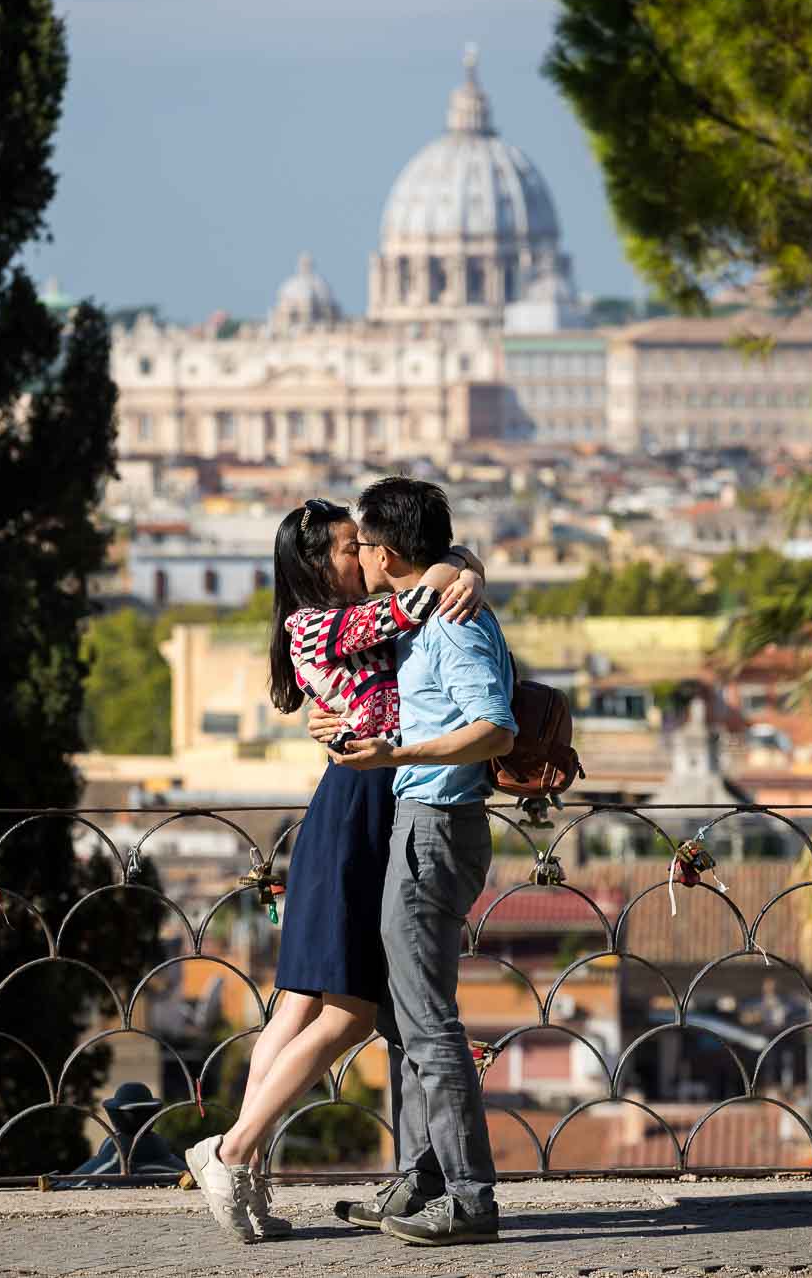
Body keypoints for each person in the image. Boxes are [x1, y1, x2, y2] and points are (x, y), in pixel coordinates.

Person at [185, 496, 484, 1243]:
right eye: (354, 546)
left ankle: (244, 1177)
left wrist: (464, 568)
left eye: (368, 544)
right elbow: (413, 601)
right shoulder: (316, 622)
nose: (368, 555)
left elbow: (415, 597)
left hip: (366, 805)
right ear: (320, 563)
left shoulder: (349, 613)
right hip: (360, 811)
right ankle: (232, 1152)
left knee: (295, 1007)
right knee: (345, 1010)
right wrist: (459, 566)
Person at [309, 477, 516, 1247]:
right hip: (417, 821)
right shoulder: (430, 604)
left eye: (360, 544)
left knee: (428, 1021)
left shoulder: (453, 626)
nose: (353, 555)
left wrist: (396, 753)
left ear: (388, 552)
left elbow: (493, 728)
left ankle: (470, 1198)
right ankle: (422, 1179)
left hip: (438, 826)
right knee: (401, 1015)